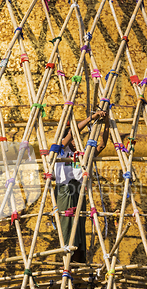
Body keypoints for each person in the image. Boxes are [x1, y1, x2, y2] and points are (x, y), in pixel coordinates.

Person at [54, 110, 110, 263]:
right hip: (64, 191)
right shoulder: (60, 150)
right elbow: (73, 132)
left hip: (79, 192)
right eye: (73, 139)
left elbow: (103, 144)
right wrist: (92, 117)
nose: (74, 142)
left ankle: (78, 264)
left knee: (79, 229)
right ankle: (66, 264)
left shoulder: (83, 155)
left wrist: (106, 123)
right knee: (66, 227)